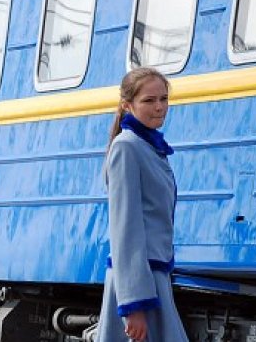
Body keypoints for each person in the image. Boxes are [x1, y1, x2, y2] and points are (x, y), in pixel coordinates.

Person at [97, 67, 188, 342]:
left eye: (163, 99)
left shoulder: (148, 147)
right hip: (139, 284)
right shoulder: (127, 147)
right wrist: (133, 304)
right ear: (128, 105)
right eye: (149, 100)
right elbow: (125, 228)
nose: (159, 107)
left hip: (152, 278)